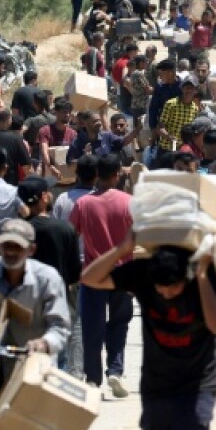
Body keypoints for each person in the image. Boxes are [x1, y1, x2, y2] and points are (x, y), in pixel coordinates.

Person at [82, 234, 216, 430]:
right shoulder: (143, 274)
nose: (165, 295)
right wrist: (122, 248)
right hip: (156, 383)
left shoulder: (206, 277)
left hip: (197, 384)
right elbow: (90, 278)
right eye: (160, 290)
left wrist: (200, 277)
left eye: (172, 289)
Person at [0, 219, 71, 356]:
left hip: (32, 364)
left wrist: (44, 343)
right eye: (6, 245)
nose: (10, 252)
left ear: (31, 249)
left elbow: (60, 326)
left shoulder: (48, 280)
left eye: (18, 246)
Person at [69, 155, 134, 398]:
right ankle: (115, 370)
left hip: (93, 274)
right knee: (119, 324)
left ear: (97, 174)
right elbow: (137, 241)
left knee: (91, 328)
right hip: (123, 274)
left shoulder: (83, 204)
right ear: (118, 173)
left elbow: (71, 236)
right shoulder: (129, 202)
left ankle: (93, 378)